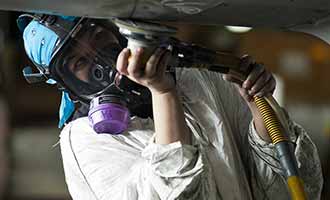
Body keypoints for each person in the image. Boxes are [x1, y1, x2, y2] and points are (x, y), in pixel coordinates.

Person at [18, 14, 323, 199]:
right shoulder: (85, 140)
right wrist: (163, 93)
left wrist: (257, 103)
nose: (102, 59)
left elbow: (291, 187)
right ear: (66, 85)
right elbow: (177, 196)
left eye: (99, 37)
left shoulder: (197, 80)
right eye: (81, 62)